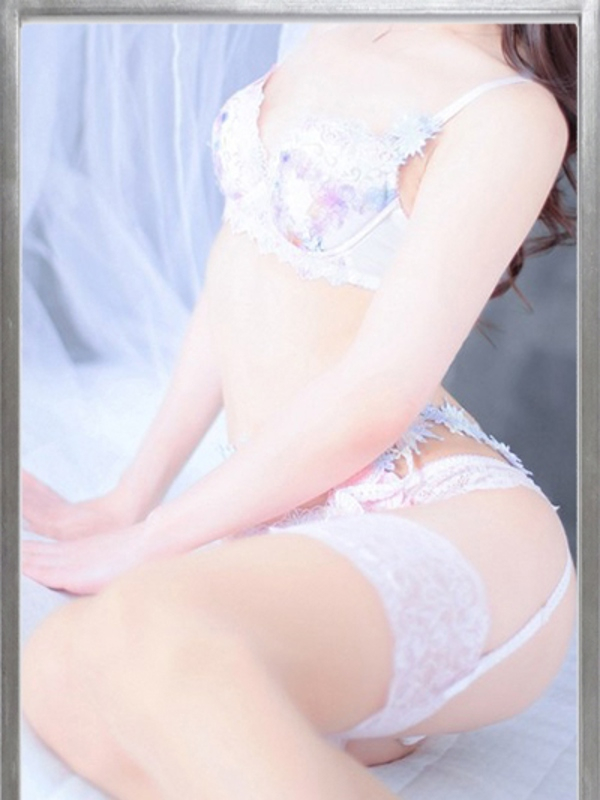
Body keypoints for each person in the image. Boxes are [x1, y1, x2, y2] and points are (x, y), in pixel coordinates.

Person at [21, 21, 577, 800]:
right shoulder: (332, 31)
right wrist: (129, 499)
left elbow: (376, 397)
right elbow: (239, 273)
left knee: (149, 629)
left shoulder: (509, 109)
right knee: (57, 675)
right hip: (292, 529)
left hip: (438, 511)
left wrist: (153, 538)